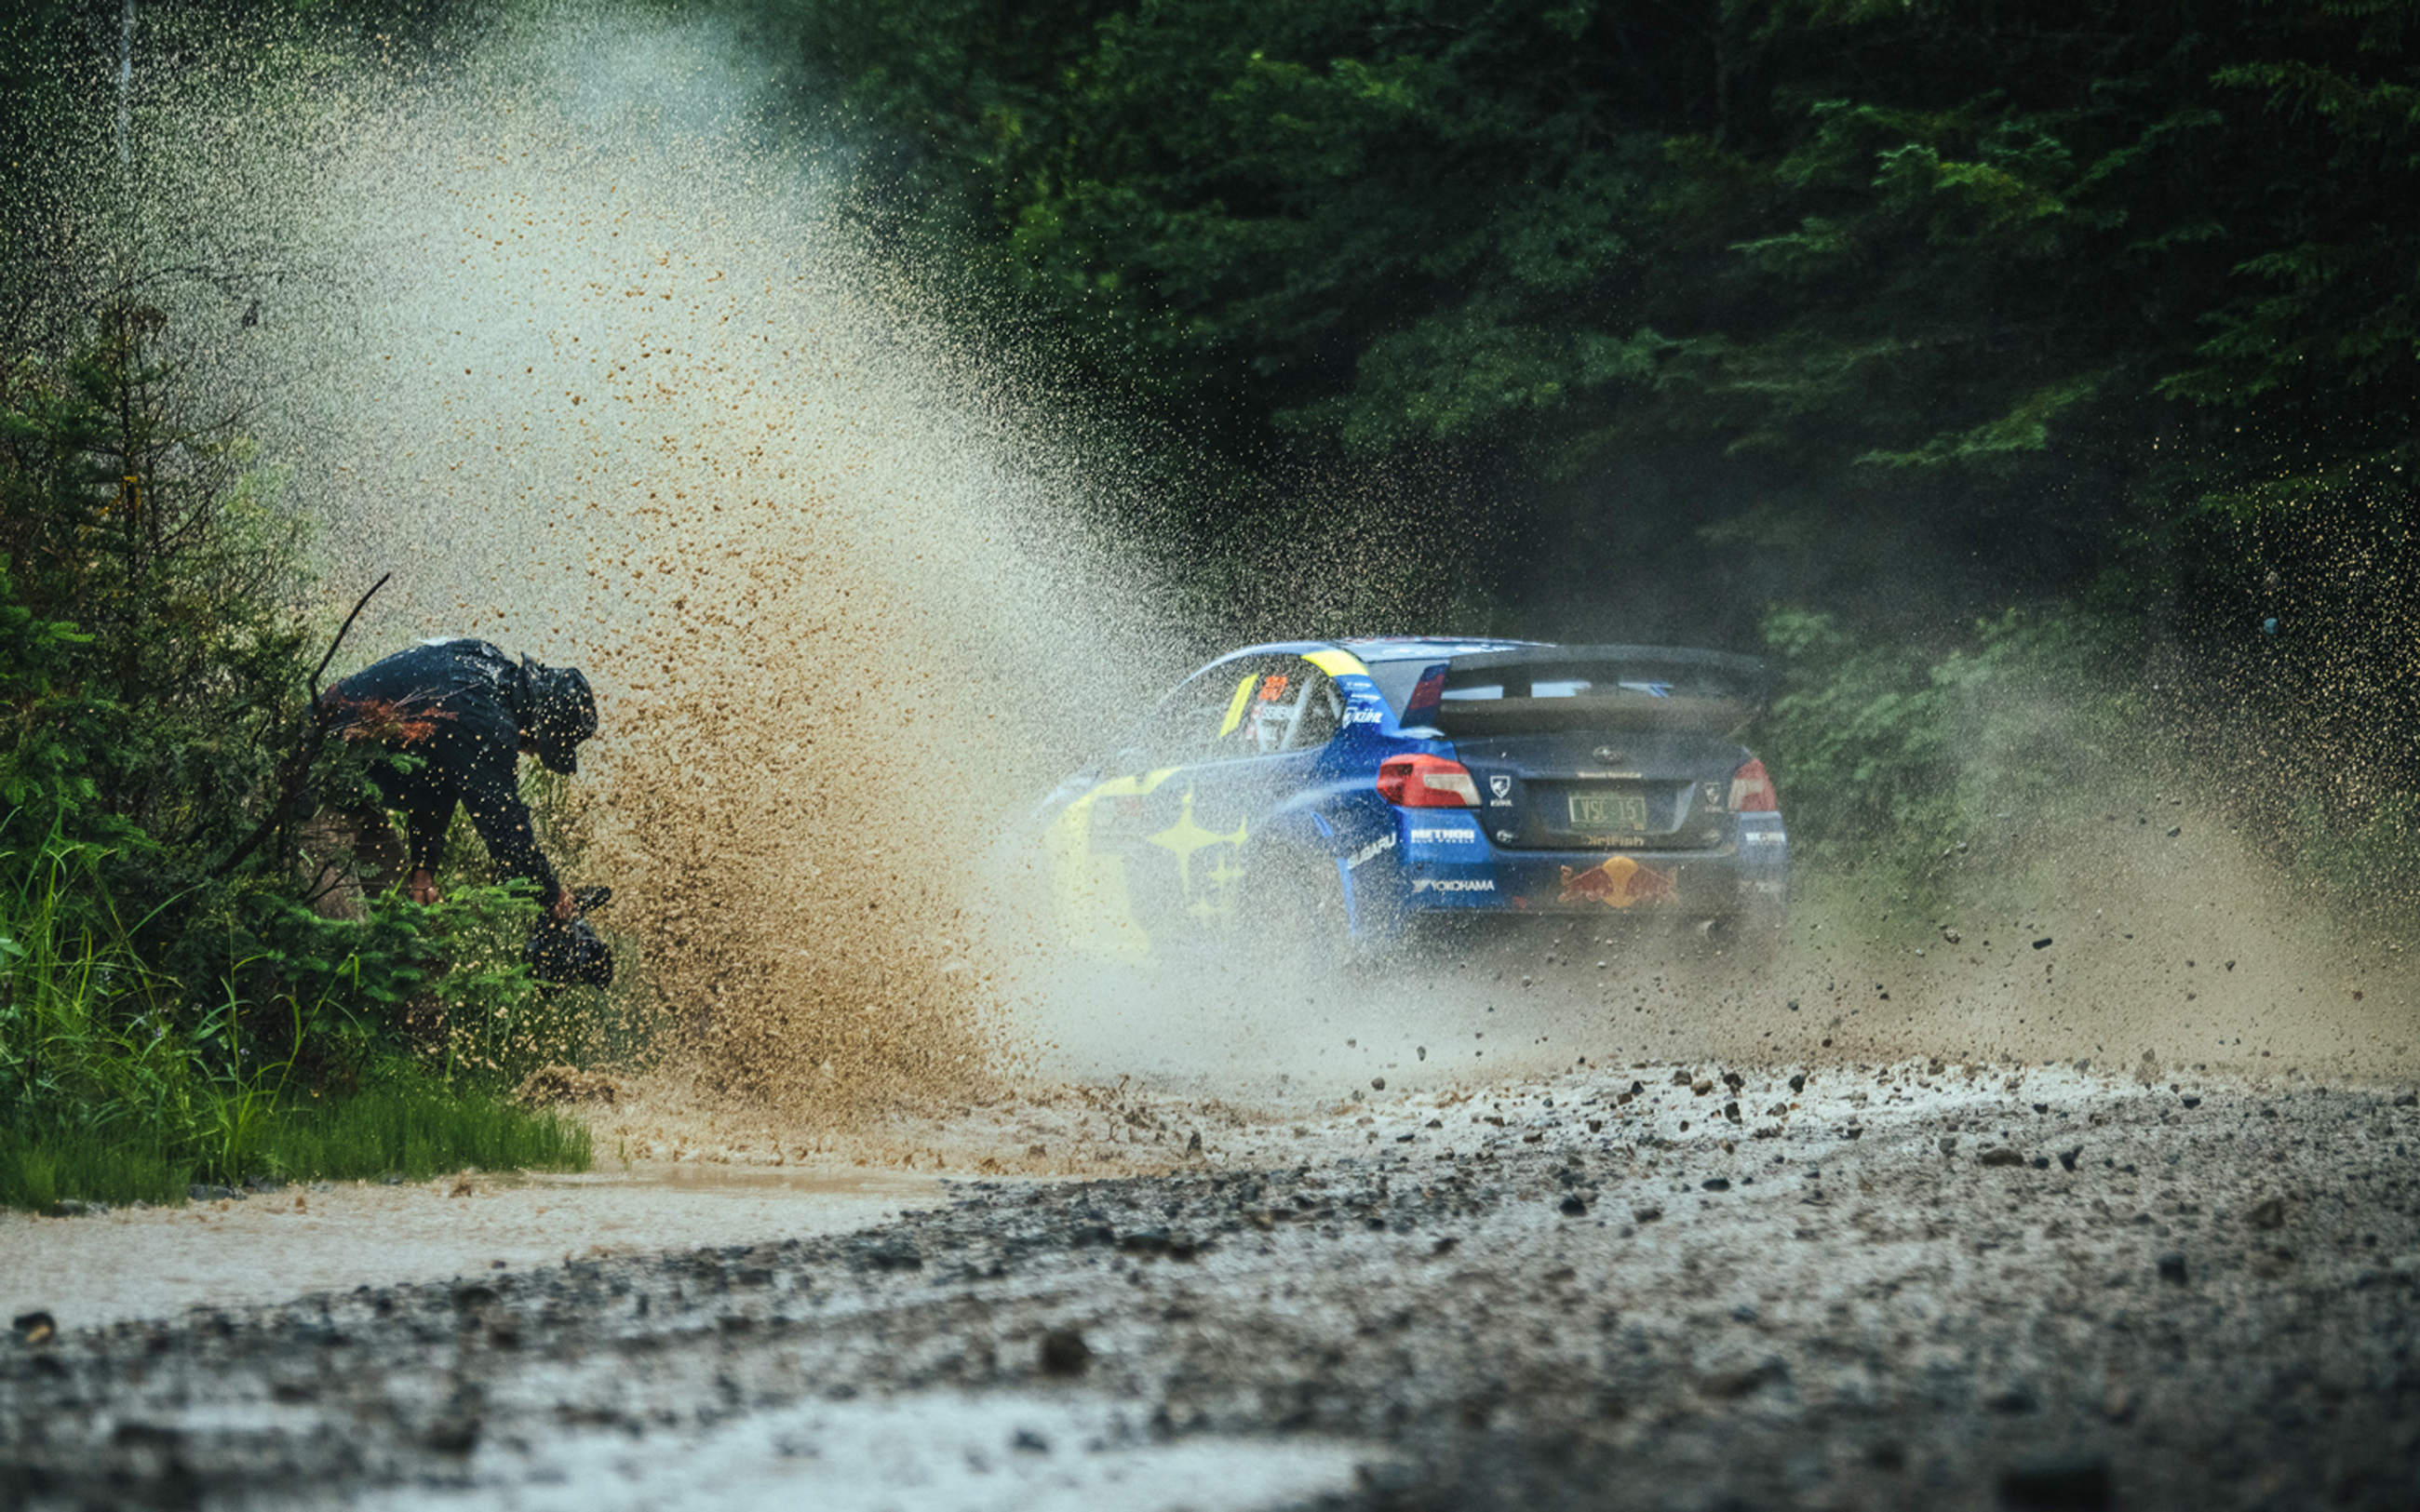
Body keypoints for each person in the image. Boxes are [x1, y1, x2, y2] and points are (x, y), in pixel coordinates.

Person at [310, 637, 596, 930]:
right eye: (543, 746)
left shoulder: (484, 668)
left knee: (404, 933)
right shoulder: (485, 717)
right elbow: (506, 828)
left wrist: (423, 867)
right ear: (538, 724)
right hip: (310, 790)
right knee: (342, 939)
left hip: (357, 796)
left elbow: (439, 783)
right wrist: (552, 895)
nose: (534, 754)